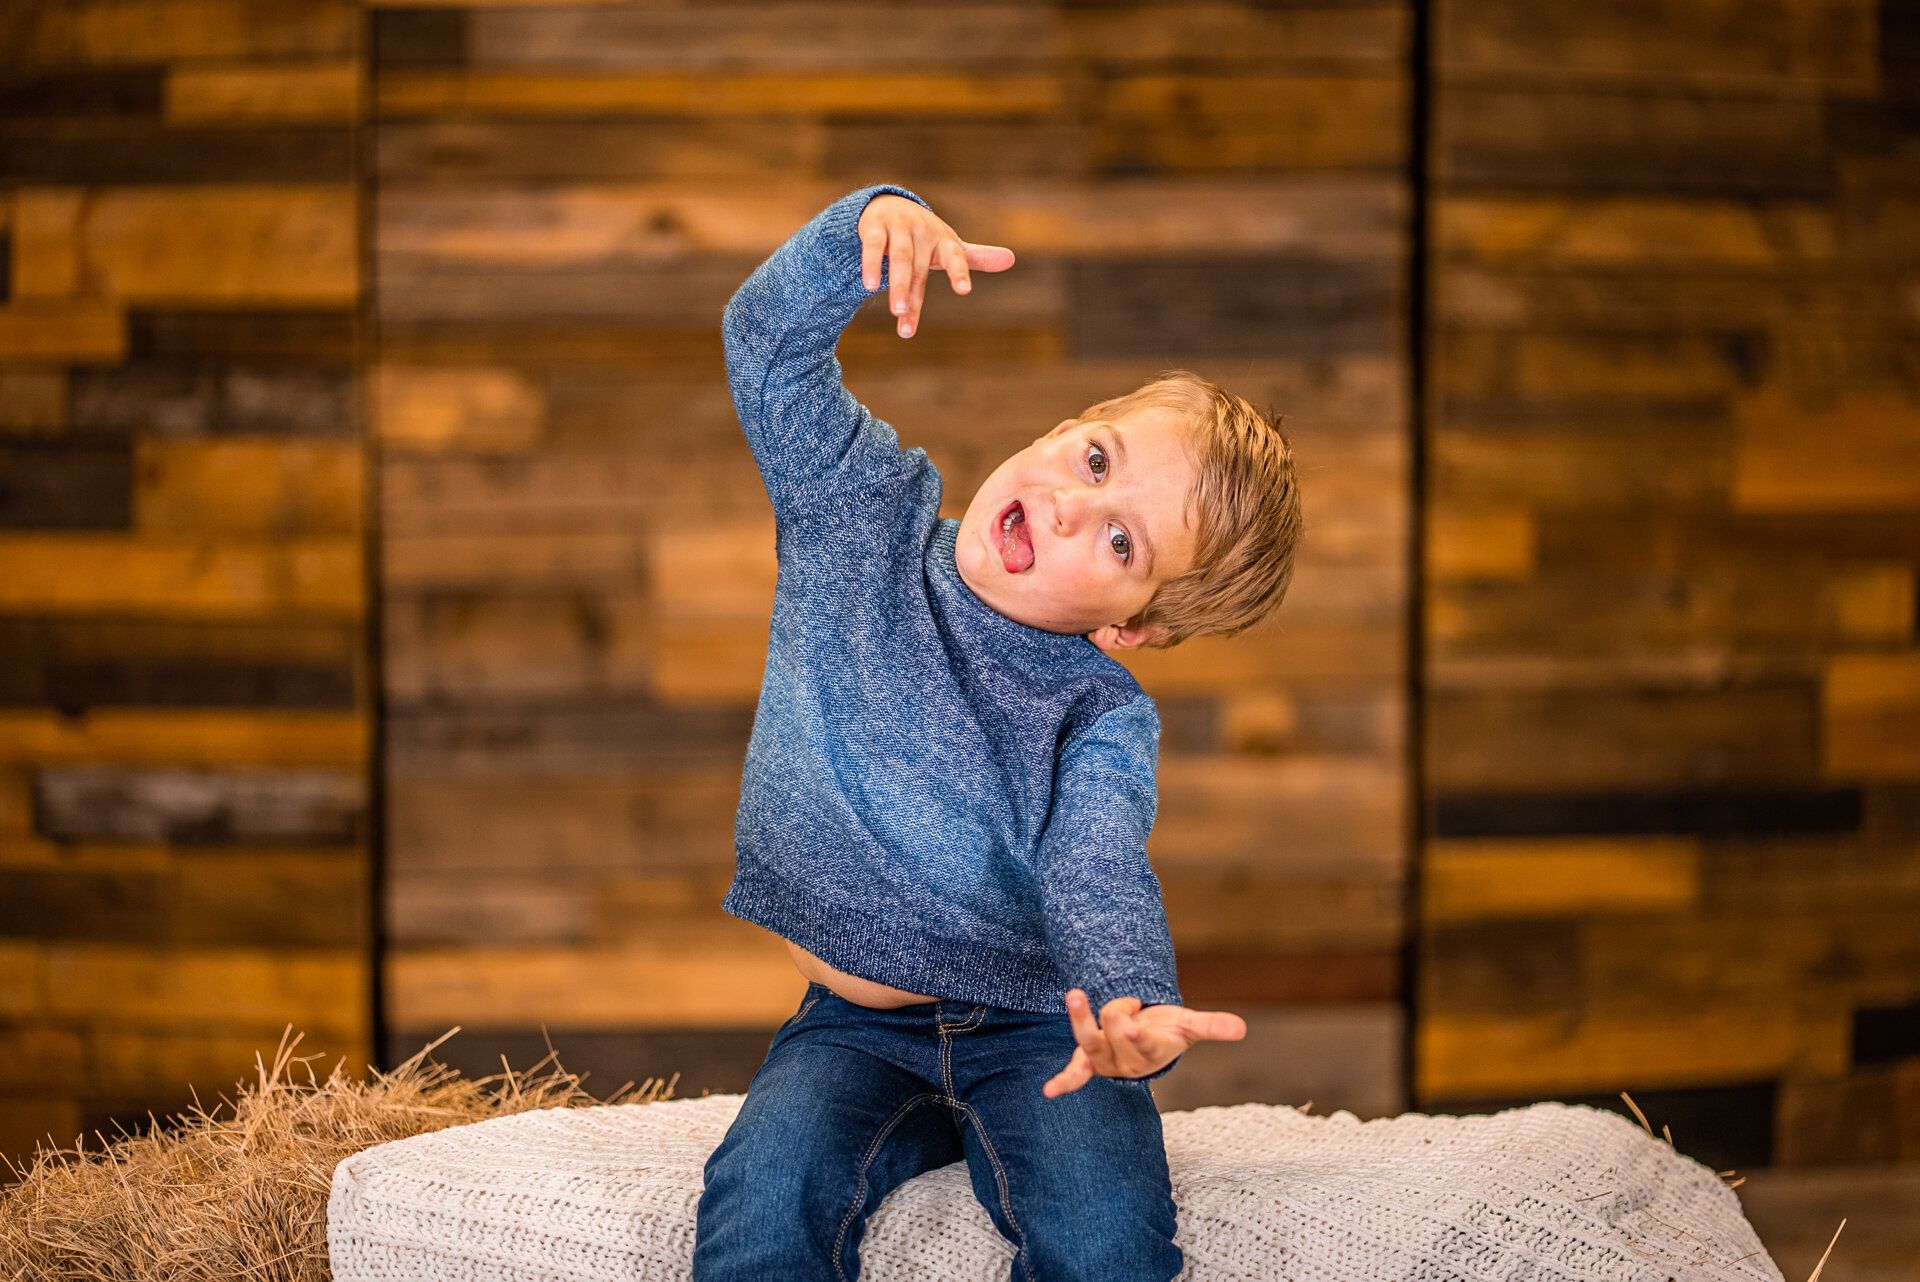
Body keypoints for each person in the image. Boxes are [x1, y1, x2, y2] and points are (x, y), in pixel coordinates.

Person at [692, 184, 1304, 1281]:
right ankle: (920, 1122)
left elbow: (1097, 861)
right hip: (851, 1026)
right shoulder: (857, 518)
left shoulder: (1100, 710)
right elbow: (765, 344)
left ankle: (999, 1113)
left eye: (1121, 540)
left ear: (1133, 627)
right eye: (1098, 460)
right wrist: (865, 232)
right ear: (1066, 429)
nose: (1073, 504)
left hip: (1037, 1028)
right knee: (760, 1198)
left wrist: (1127, 998)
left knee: (1113, 1239)